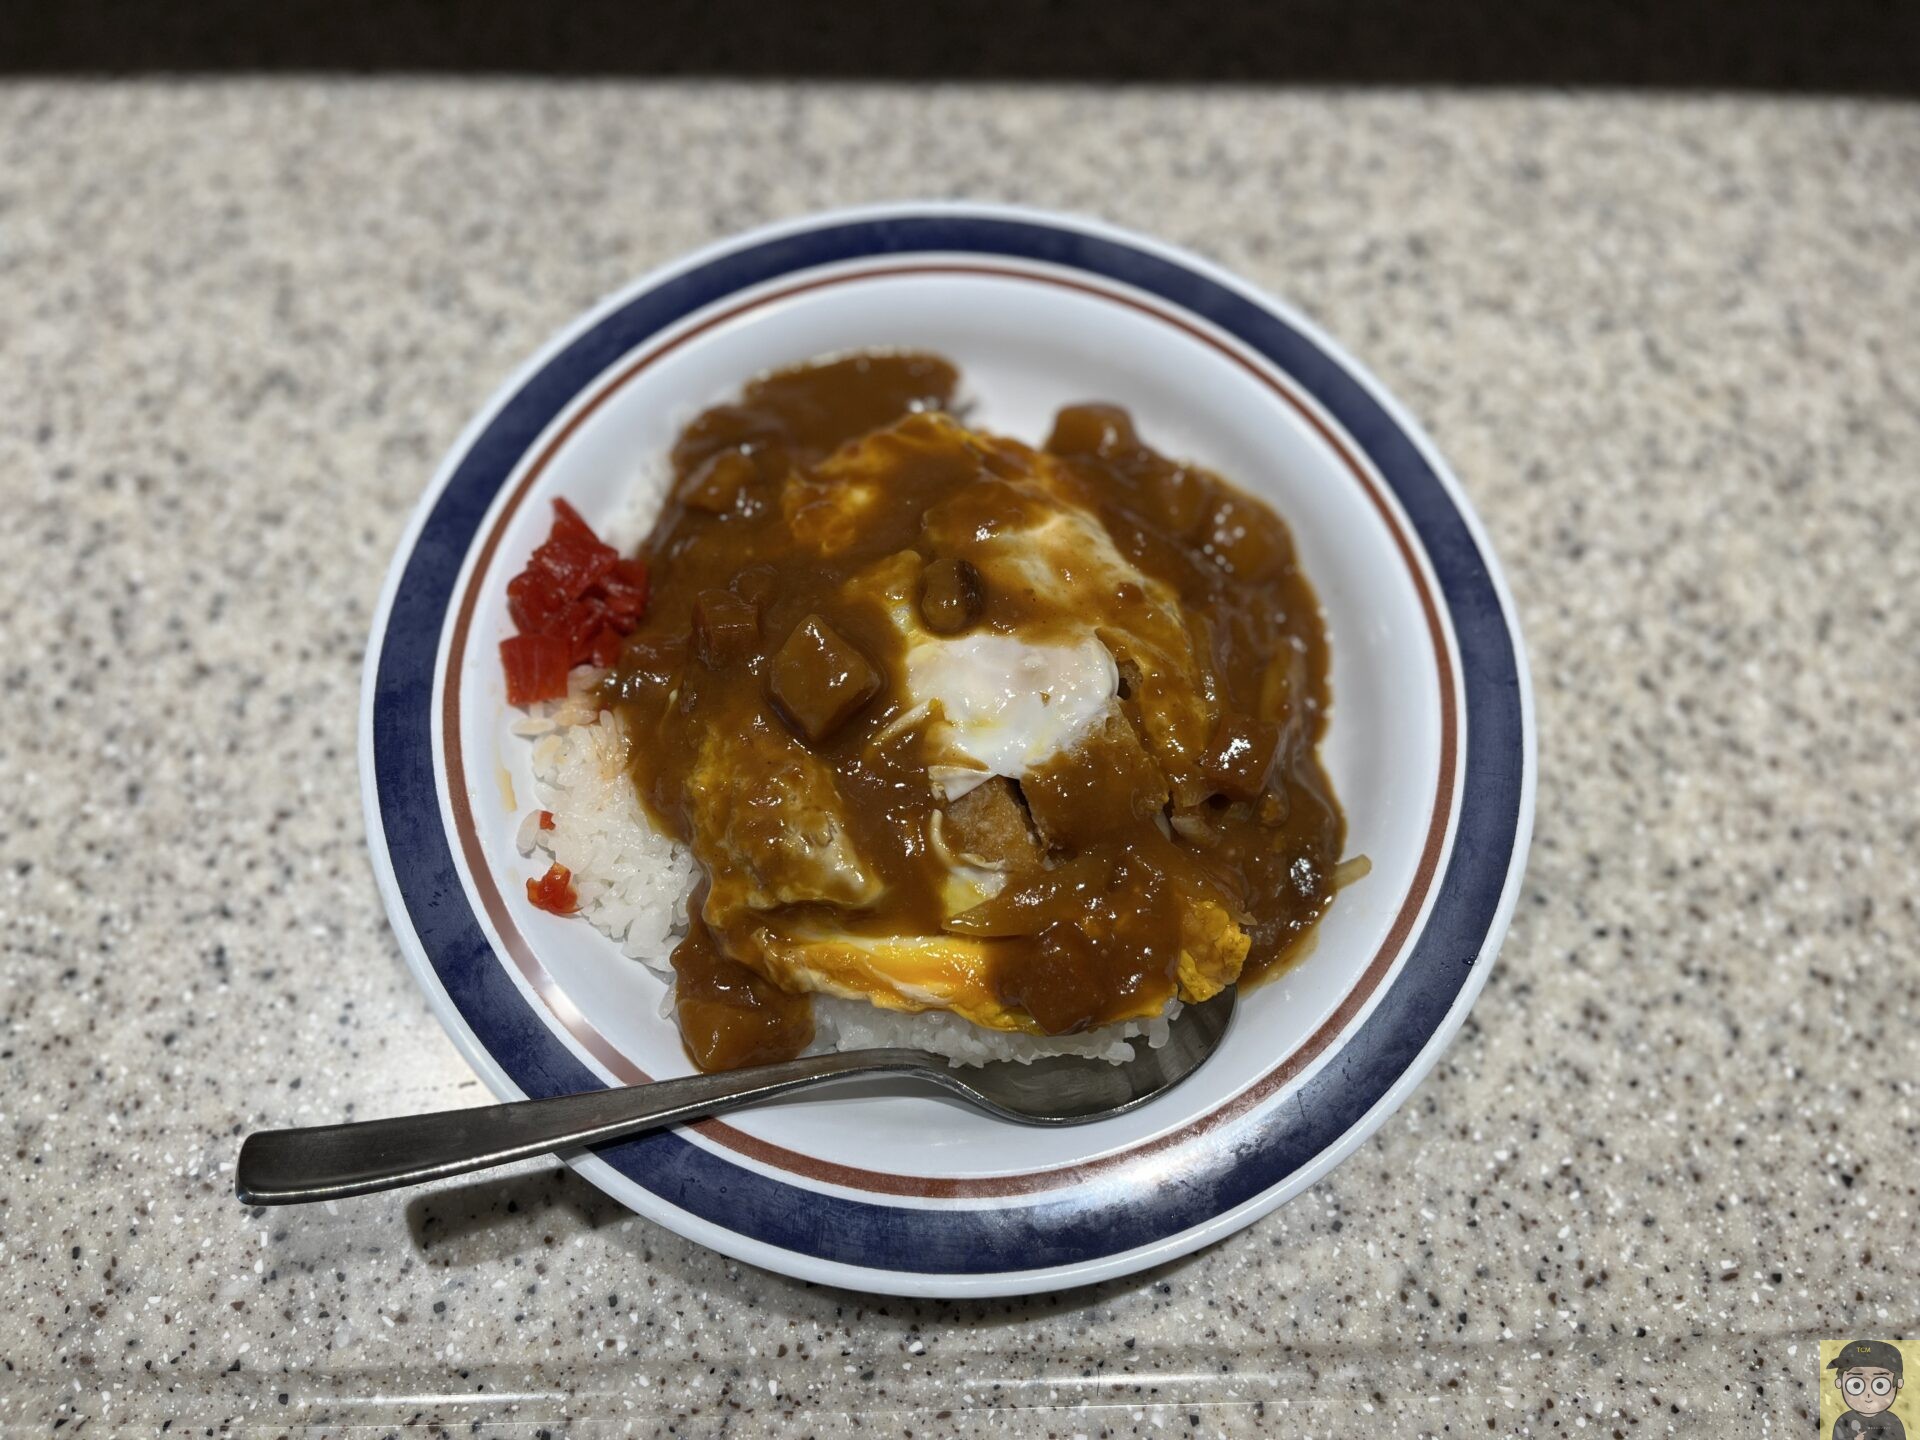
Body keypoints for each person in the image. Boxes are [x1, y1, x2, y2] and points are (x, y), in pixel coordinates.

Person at [1830, 1340, 1906, 1440]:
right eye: (1856, 1385)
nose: (1868, 1394)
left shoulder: (1893, 1422)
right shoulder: (1843, 1421)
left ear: (1899, 1383)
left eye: (1880, 1385)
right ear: (1839, 1383)